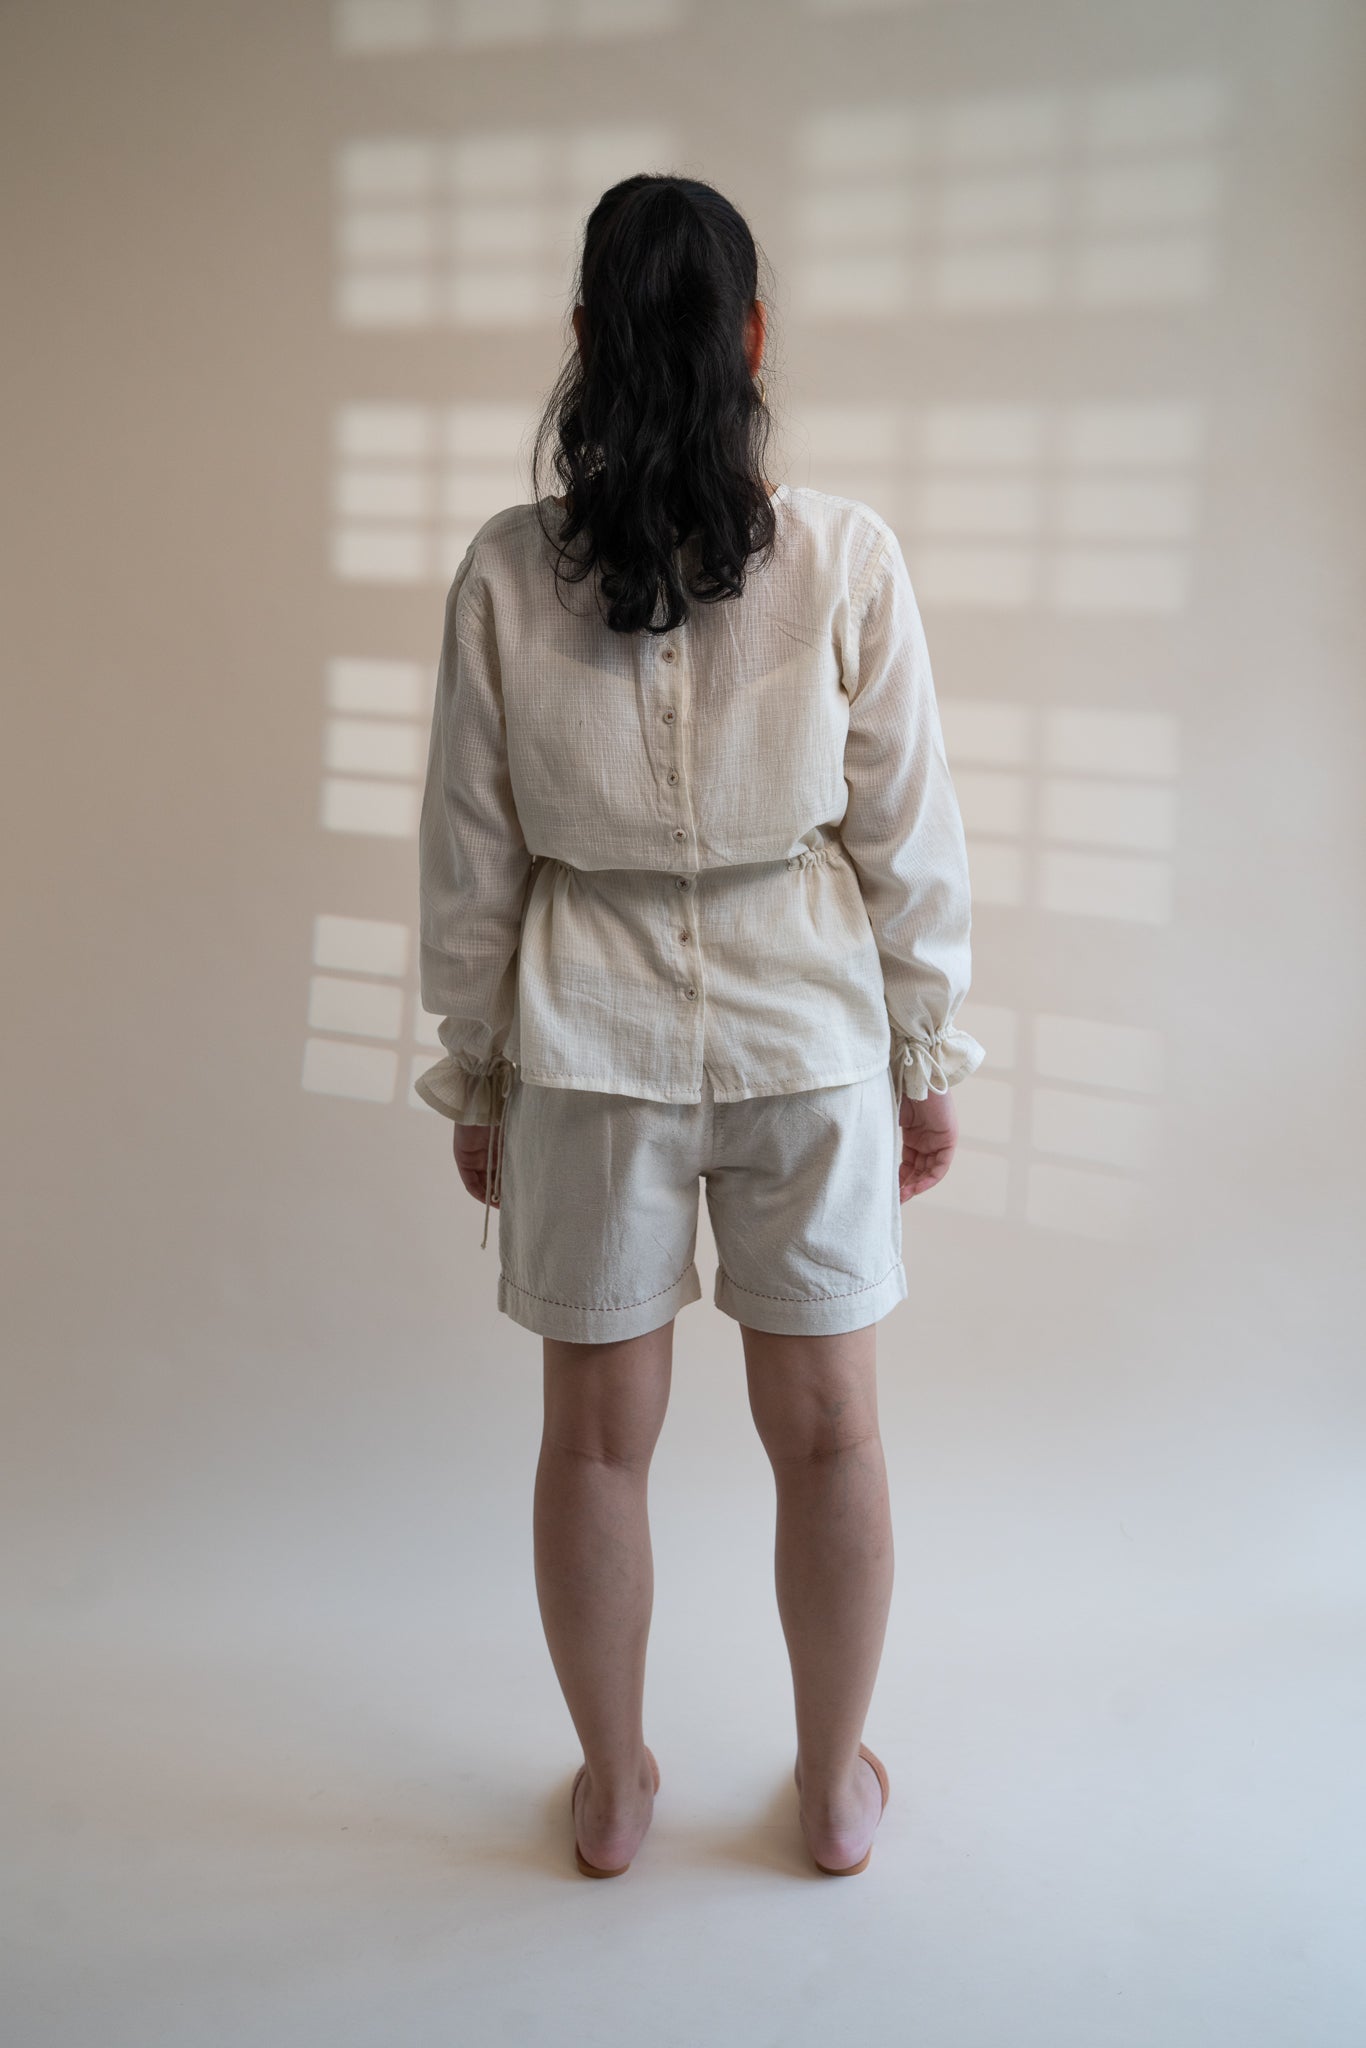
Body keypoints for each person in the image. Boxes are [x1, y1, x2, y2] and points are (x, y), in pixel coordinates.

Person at [415, 174, 985, 1880]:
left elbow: (470, 859)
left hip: (584, 1044)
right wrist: (923, 1054)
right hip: (807, 1034)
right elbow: (907, 837)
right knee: (833, 1434)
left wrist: (478, 1073)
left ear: (581, 340)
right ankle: (829, 1787)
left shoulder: (505, 572)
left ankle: (611, 1788)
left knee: (595, 1445)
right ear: (752, 338)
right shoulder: (844, 556)